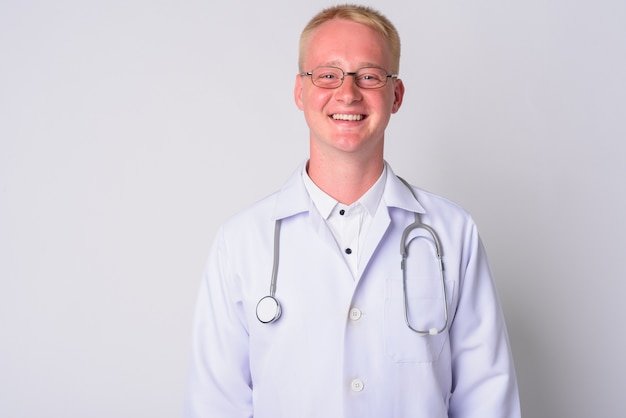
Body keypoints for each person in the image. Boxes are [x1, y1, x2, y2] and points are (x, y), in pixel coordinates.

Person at [184, 4, 520, 418]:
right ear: (300, 91)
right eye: (327, 75)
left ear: (395, 95)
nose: (347, 93)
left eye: (369, 76)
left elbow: (487, 400)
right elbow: (215, 404)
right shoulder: (241, 242)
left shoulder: (452, 233)